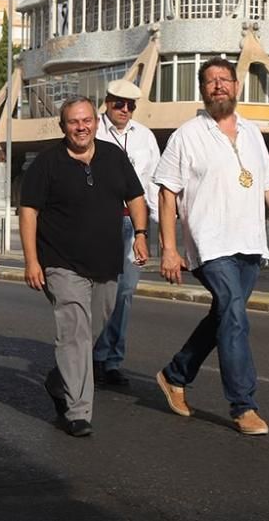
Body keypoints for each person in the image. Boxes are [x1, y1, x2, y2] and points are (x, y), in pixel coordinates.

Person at [153, 57, 269, 436]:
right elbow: (167, 193)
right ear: (202, 89)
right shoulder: (187, 135)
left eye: (225, 79)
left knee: (225, 316)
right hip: (210, 245)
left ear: (237, 87)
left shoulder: (253, 133)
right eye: (210, 81)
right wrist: (170, 248)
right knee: (236, 317)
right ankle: (244, 406)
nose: (218, 86)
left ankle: (175, 374)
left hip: (249, 243)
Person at [19, 96, 148, 437]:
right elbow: (28, 211)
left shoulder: (113, 157)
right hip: (60, 263)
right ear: (63, 126)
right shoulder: (46, 164)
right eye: (74, 122)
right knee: (75, 330)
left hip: (106, 263)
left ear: (95, 121)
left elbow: (135, 196)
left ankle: (59, 379)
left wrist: (141, 233)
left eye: (86, 120)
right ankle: (77, 411)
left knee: (94, 327)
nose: (81, 127)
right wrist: (32, 260)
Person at [91, 80, 160, 387]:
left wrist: (158, 229)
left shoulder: (144, 137)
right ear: (107, 102)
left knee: (126, 292)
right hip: (99, 223)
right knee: (100, 291)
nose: (125, 110)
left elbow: (153, 185)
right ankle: (90, 355)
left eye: (131, 105)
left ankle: (112, 359)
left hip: (134, 223)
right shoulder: (92, 131)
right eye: (119, 103)